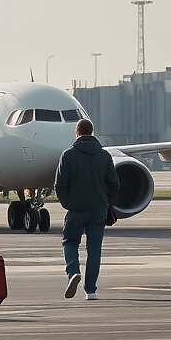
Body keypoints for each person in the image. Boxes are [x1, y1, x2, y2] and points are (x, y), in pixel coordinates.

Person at [54, 118, 119, 301]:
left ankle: (73, 272)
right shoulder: (104, 156)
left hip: (76, 209)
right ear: (92, 132)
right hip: (98, 209)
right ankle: (91, 291)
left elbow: (59, 184)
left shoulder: (68, 155)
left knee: (70, 242)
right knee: (94, 249)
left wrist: (67, 203)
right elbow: (114, 184)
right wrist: (107, 203)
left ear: (77, 132)